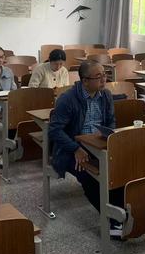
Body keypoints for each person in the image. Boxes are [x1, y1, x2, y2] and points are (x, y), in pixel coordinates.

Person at [48, 61, 123, 237]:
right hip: (71, 148)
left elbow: (111, 121)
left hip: (98, 144)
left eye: (104, 75)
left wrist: (107, 137)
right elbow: (54, 130)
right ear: (85, 81)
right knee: (88, 174)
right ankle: (112, 220)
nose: (104, 79)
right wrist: (75, 149)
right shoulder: (68, 99)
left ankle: (122, 213)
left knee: (119, 170)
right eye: (99, 77)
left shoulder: (105, 95)